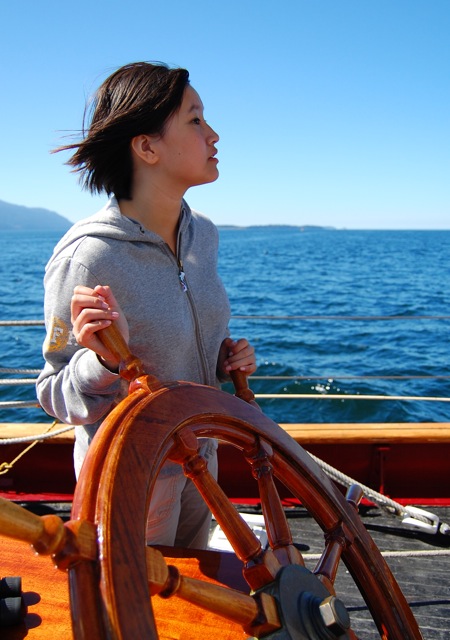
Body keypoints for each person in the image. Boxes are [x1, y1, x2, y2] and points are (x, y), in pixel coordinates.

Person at [36, 61, 256, 549]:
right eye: (195, 120)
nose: (214, 134)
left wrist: (222, 359)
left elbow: (182, 337)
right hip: (134, 476)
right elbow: (53, 392)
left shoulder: (204, 235)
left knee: (195, 591)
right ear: (147, 147)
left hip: (202, 459)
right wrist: (102, 363)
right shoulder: (88, 256)